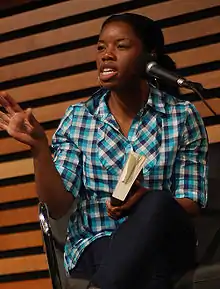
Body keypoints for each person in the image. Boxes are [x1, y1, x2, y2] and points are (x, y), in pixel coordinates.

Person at [0, 13, 208, 289]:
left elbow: (190, 203)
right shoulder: (79, 119)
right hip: (97, 242)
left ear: (149, 57)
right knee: (148, 273)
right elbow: (58, 207)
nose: (106, 55)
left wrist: (145, 200)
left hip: (168, 239)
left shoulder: (181, 117)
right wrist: (39, 149)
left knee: (156, 203)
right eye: (100, 47)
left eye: (120, 46)